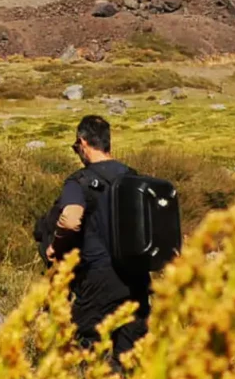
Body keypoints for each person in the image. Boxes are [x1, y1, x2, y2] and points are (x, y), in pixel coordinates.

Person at [43, 114, 155, 359]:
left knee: (83, 352)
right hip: (136, 279)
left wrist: (55, 246)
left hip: (97, 280)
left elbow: (71, 219)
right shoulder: (133, 177)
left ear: (83, 143)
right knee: (129, 359)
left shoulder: (79, 182)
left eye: (76, 147)